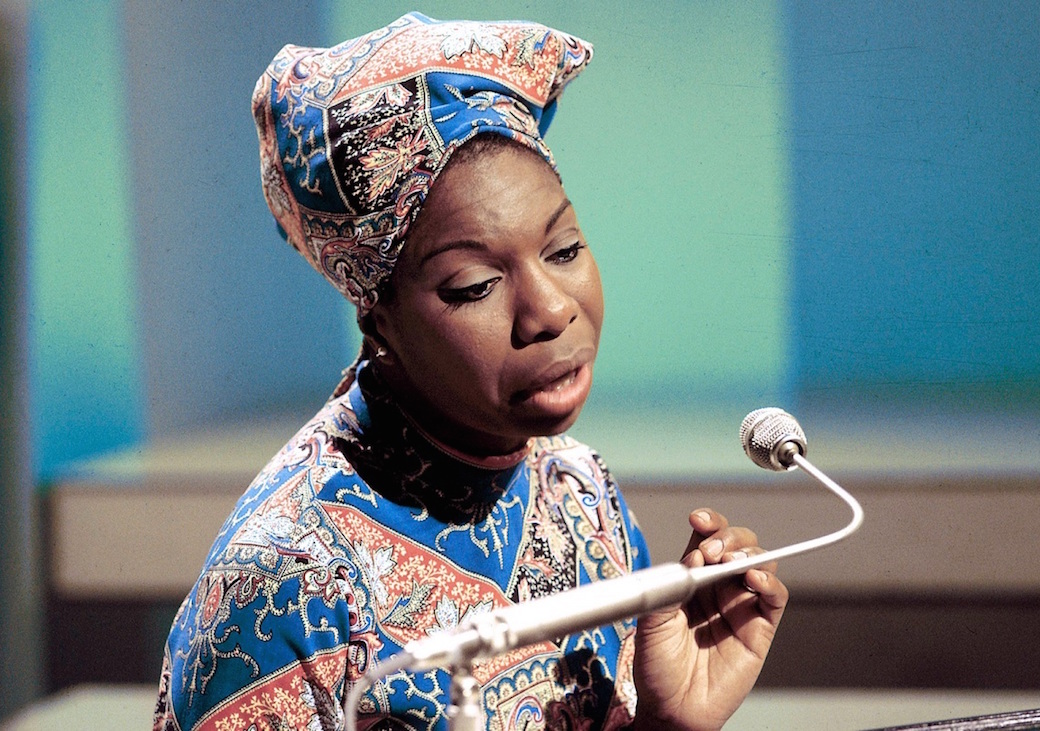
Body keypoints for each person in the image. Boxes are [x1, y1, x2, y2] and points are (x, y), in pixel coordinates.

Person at [154, 13, 787, 731]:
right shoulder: (280, 590)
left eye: (563, 249)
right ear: (379, 320)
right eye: (475, 285)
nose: (550, 310)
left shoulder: (580, 490)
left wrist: (667, 726)